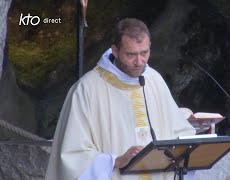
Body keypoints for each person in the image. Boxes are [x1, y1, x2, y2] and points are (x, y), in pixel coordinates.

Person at [45, 18, 195, 180]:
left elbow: (180, 132)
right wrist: (115, 161)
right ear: (115, 51)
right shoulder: (87, 89)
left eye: (144, 53)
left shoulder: (154, 80)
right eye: (131, 54)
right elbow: (73, 156)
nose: (139, 62)